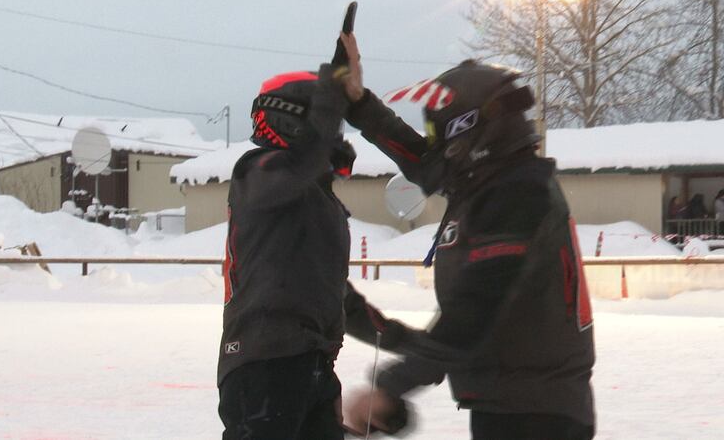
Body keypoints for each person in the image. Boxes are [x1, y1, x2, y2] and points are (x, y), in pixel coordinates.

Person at [337, 33, 596, 439]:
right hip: (518, 403)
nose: (437, 145)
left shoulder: (516, 196)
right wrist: (358, 104)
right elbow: (426, 162)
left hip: (535, 416)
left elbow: (475, 311)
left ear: (469, 130)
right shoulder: (497, 182)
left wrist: (391, 384)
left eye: (440, 132)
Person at [217, 64, 418, 440]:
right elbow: (298, 167)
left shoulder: (313, 198)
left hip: (313, 362)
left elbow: (332, 290)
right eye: (327, 120)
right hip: (263, 361)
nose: (334, 133)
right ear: (294, 119)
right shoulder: (258, 172)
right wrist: (327, 103)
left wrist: (398, 338)